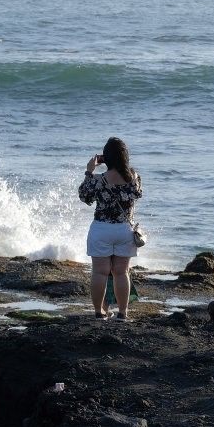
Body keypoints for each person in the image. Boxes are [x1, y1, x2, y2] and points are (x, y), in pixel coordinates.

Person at [78, 137, 143, 322]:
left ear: (106, 157)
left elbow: (84, 196)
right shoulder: (134, 178)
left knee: (100, 272)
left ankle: (99, 313)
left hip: (101, 229)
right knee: (121, 272)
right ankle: (122, 313)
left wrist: (89, 171)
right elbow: (138, 194)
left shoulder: (98, 180)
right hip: (124, 230)